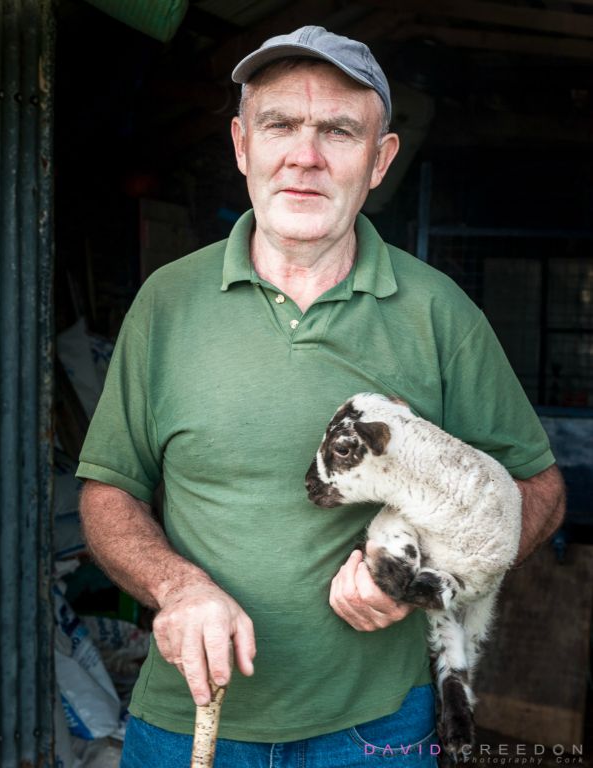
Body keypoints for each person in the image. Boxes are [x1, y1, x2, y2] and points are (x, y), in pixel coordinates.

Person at [76, 26, 566, 768]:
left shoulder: (438, 313)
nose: (303, 157)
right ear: (242, 145)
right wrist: (177, 586)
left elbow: (538, 489)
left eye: (338, 131)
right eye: (279, 125)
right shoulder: (165, 303)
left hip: (374, 733)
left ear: (379, 160)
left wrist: (421, 578)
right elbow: (108, 490)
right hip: (188, 719)